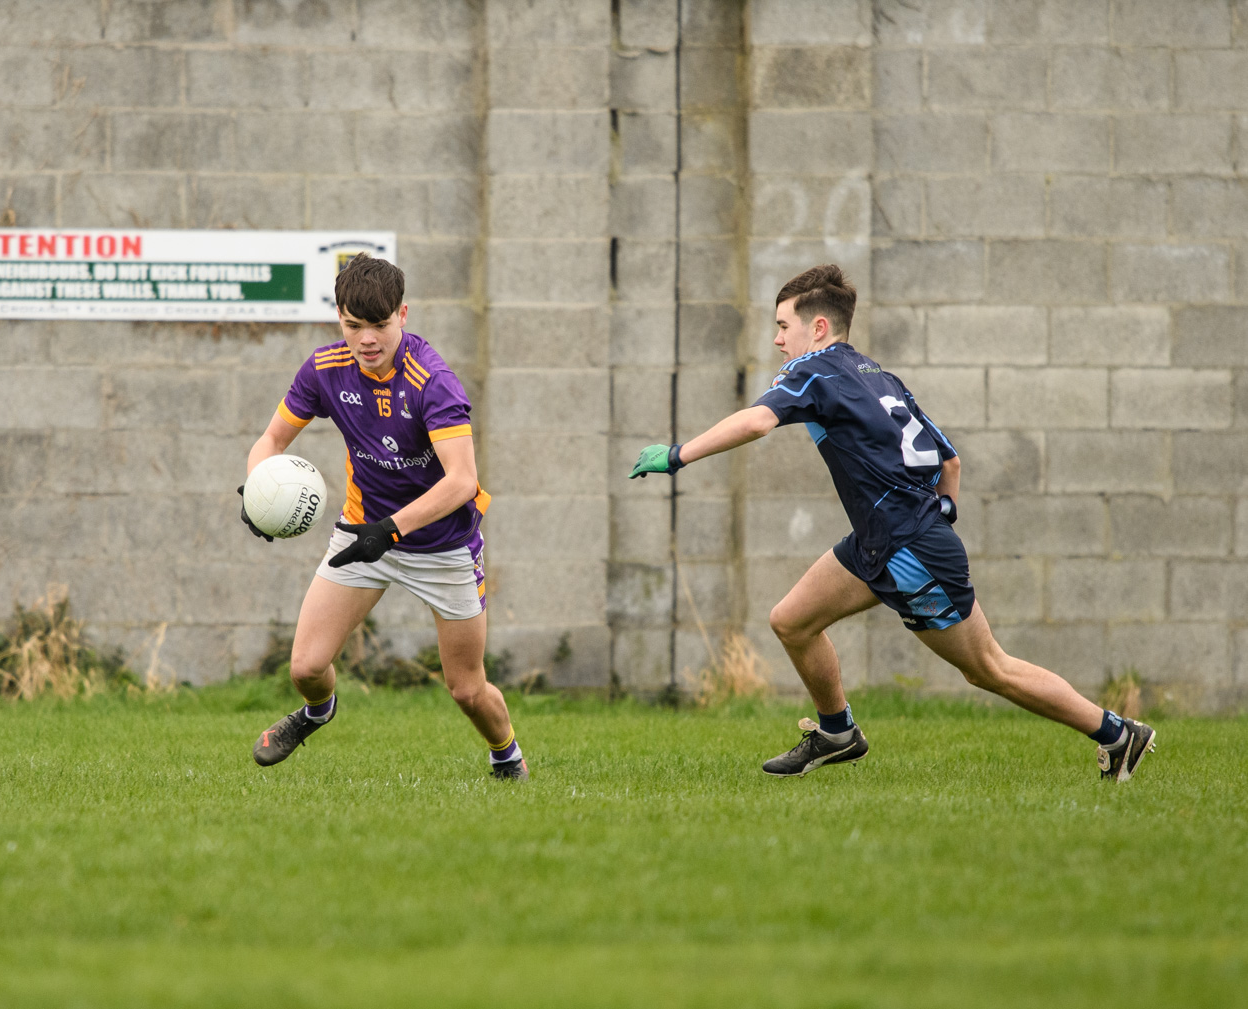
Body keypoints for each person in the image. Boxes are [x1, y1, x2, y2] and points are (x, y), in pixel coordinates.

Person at [630, 264, 1155, 783]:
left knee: (986, 667)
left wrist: (678, 455)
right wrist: (942, 513)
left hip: (910, 549)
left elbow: (758, 420)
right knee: (792, 621)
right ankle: (837, 733)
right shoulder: (877, 374)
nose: (776, 340)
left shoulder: (812, 370)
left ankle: (1116, 733)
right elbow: (950, 462)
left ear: (818, 328)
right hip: (883, 541)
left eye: (783, 326)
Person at [240, 253, 527, 779]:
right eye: (354, 325)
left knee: (466, 688)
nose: (367, 338)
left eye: (380, 324)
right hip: (362, 534)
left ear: (403, 315)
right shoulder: (325, 370)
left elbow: (462, 480)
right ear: (339, 319)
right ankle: (317, 712)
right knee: (305, 667)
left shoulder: (432, 381)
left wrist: (393, 529)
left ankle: (506, 753)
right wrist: (257, 489)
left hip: (442, 547)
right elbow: (273, 439)